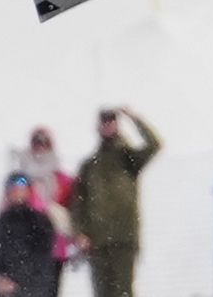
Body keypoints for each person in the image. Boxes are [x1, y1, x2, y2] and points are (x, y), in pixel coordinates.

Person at [72, 107, 163, 297]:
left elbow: (155, 144)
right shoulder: (89, 165)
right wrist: (79, 233)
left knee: (123, 292)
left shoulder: (128, 157)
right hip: (98, 242)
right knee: (102, 293)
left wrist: (135, 118)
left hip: (124, 239)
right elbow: (78, 203)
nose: (108, 126)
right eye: (104, 122)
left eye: (112, 121)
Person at [14, 127, 77, 294]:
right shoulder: (21, 179)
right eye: (37, 143)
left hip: (55, 248)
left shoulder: (63, 179)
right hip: (26, 249)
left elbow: (74, 211)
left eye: (44, 143)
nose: (40, 147)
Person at [0, 173, 58, 297]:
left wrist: (17, 283)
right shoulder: (3, 221)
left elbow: (42, 258)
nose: (16, 193)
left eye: (20, 189)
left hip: (32, 291)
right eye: (13, 189)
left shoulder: (40, 221)